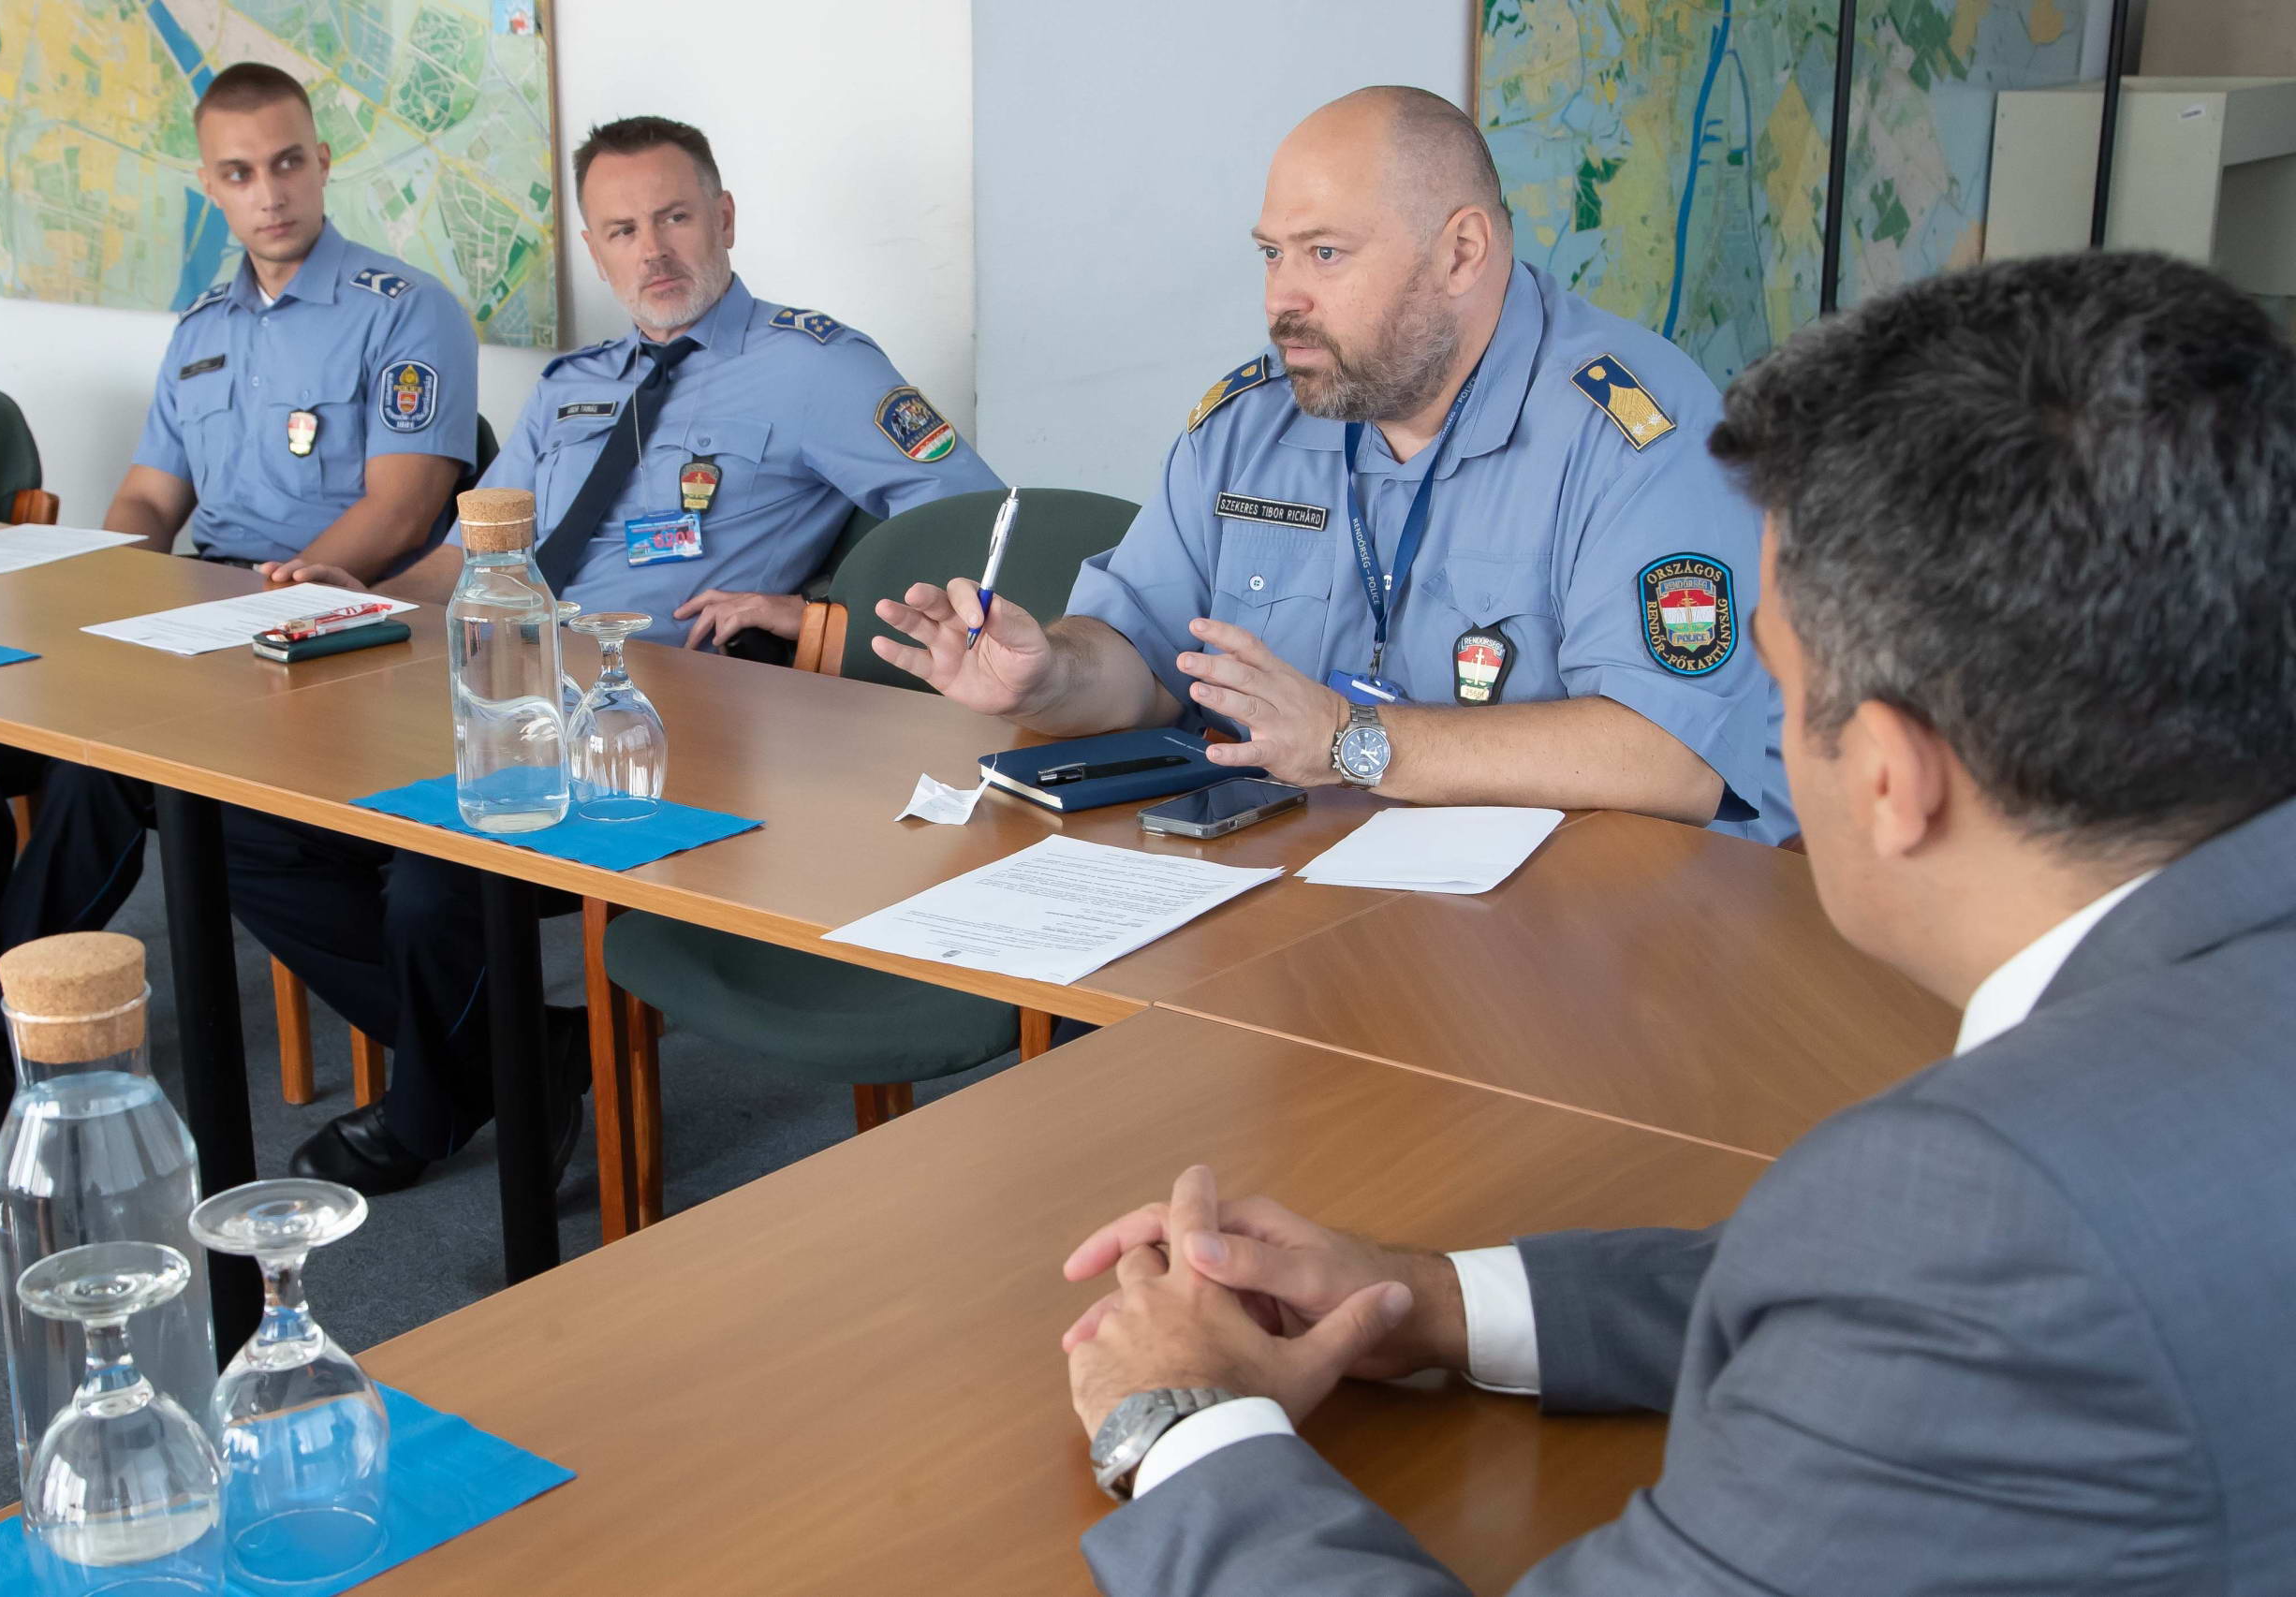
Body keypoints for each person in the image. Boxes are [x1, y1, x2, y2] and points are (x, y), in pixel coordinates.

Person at [1053, 249, 2296, 1593]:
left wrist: (1183, 1424)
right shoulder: (2052, 1172)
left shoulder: (1988, 1207)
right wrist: (1437, 1298)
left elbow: (1964, 1274)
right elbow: (1908, 1287)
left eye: (1777, 686)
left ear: (1891, 777)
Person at [243, 114, 1003, 1194]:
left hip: (672, 725)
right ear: (594, 250)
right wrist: (355, 591)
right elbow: (475, 552)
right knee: (247, 825)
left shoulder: (814, 367)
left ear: (723, 218)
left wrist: (813, 614)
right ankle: (527, 1052)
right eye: (622, 230)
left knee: (431, 887)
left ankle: (430, 1106)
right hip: (507, 697)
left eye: (675, 218)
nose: (654, 252)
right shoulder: (572, 384)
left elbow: (974, 519)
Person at [876, 88, 1788, 841]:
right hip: (1297, 892)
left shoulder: (1634, 431)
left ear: (1461, 252)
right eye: (1272, 254)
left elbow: (1672, 758)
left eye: (1325, 253)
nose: (1283, 300)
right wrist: (1051, 678)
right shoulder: (1251, 420)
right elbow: (1147, 663)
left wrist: (1353, 741)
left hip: (1569, 928)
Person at [0, 62, 477, 1166]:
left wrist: (306, 578)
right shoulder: (204, 327)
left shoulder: (404, 310)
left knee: (113, 765)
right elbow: (150, 500)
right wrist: (92, 576)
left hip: (334, 633)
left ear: (322, 161)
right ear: (210, 186)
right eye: (241, 173)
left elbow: (407, 506)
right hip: (198, 617)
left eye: (289, 162)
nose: (271, 192)